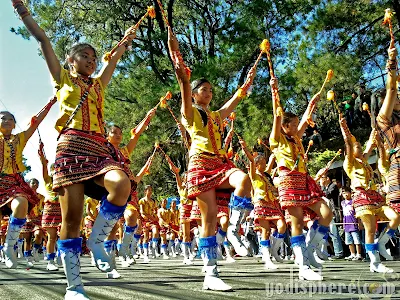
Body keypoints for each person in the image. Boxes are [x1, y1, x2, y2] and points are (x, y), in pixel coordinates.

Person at [13, 1, 137, 297]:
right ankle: (74, 286)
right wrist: (23, 11)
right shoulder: (63, 79)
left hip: (98, 149)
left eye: (94, 57)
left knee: (122, 184)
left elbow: (115, 59)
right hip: (70, 148)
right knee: (71, 220)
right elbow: (43, 40)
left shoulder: (99, 85)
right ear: (71, 61)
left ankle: (96, 241)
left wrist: (127, 40)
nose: (92, 60)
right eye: (85, 56)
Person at [168, 27, 256, 291]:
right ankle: (211, 274)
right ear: (195, 94)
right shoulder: (192, 114)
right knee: (208, 222)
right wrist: (183, 79)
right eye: (203, 90)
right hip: (200, 164)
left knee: (244, 180)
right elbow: (184, 95)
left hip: (221, 164)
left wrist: (246, 85)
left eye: (210, 90)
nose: (208, 93)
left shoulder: (216, 115)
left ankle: (235, 228)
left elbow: (233, 102)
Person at [269, 76, 333, 281]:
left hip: (305, 180)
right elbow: (276, 116)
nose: (298, 127)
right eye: (293, 124)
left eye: (297, 124)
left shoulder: (296, 138)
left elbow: (307, 117)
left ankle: (310, 249)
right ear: (284, 125)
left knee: (326, 213)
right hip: (289, 181)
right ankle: (303, 266)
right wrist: (274, 93)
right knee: (295, 223)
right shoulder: (277, 139)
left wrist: (314, 100)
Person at [339, 111, 399, 273]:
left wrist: (375, 131)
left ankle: (382, 242)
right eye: (357, 146)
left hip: (375, 197)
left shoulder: (364, 161)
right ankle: (375, 262)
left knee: (395, 217)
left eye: (359, 146)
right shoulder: (350, 163)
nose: (359, 147)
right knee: (370, 230)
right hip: (362, 198)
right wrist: (345, 130)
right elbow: (350, 145)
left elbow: (371, 144)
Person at [0, 96, 55, 269]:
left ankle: (10, 247)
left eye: (11, 119)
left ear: (15, 125)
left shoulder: (19, 139)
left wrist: (50, 103)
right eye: (3, 118)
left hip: (13, 182)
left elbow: (35, 123)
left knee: (22, 203)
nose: (7, 121)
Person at [239, 141, 287, 269]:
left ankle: (274, 251)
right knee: (265, 231)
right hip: (260, 202)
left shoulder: (266, 176)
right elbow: (251, 161)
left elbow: (271, 168)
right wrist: (245, 149)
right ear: (258, 164)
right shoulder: (254, 175)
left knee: (282, 225)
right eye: (264, 163)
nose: (266, 165)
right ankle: (267, 258)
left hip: (272, 203)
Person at [376, 42, 400, 214]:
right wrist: (392, 61)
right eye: (394, 98)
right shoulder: (384, 120)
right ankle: (382, 242)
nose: (397, 98)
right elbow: (391, 89)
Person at [319, 173, 344, 259]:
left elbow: (327, 195)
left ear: (327, 178)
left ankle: (339, 252)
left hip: (333, 211)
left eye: (322, 178)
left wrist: (322, 187)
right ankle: (333, 251)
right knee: (329, 233)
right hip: (327, 212)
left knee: (334, 232)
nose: (321, 180)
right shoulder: (326, 187)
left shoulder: (333, 186)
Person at [341, 187, 362, 261]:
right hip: (346, 223)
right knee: (349, 241)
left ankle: (358, 254)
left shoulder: (354, 202)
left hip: (354, 222)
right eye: (343, 193)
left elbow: (357, 213)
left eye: (346, 192)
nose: (345, 194)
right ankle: (352, 254)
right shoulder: (343, 203)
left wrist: (359, 222)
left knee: (357, 240)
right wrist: (343, 224)